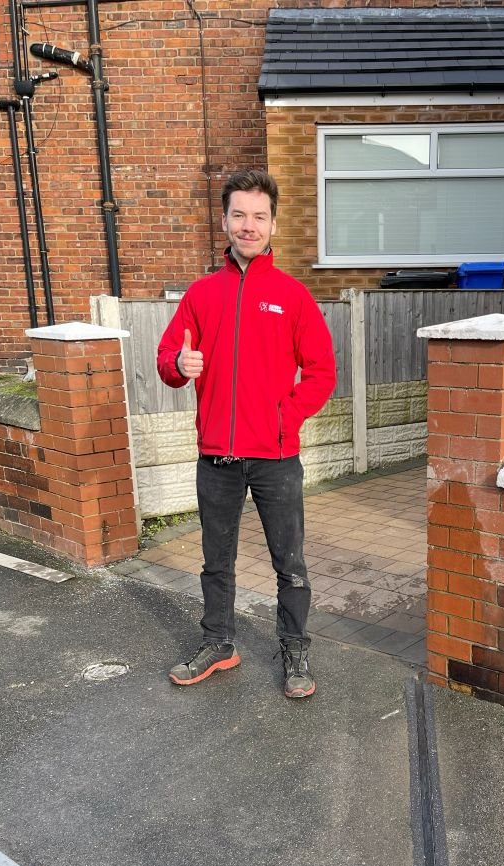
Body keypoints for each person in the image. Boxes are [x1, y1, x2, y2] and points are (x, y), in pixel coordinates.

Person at [156, 169, 337, 699]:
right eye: (239, 215)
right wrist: (178, 364)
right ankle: (219, 642)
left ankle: (295, 649)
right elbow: (169, 357)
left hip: (276, 457)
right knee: (217, 560)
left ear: (273, 224)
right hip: (216, 457)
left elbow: (322, 372)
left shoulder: (292, 296)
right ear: (225, 220)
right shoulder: (201, 294)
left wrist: (286, 417)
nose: (248, 225)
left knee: (291, 562)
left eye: (259, 216)